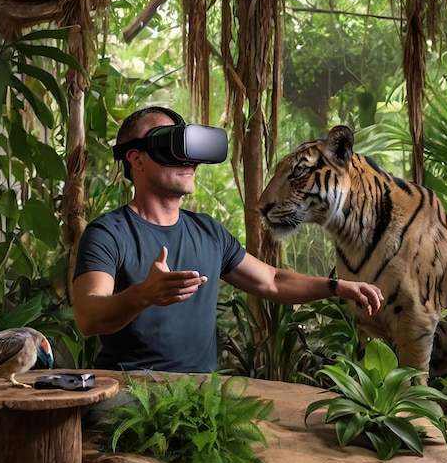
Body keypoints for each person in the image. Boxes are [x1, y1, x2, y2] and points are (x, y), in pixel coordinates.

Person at [73, 106, 383, 373]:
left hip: (200, 400)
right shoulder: (108, 233)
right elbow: (88, 316)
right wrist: (143, 294)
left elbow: (272, 281)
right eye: (172, 147)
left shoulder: (209, 232)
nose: (188, 160)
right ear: (136, 160)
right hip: (128, 394)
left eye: (189, 148)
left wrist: (335, 287)